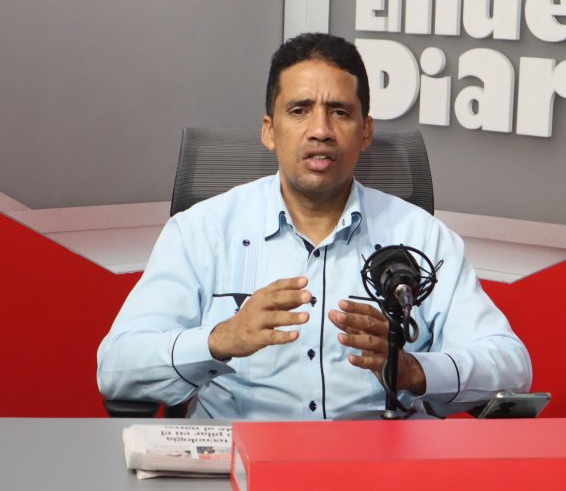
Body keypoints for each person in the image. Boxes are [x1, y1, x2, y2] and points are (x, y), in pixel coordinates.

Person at [97, 33, 530, 419]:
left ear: (365, 132)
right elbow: (116, 367)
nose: (320, 130)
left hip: (382, 464)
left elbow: (511, 364)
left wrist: (415, 370)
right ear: (270, 131)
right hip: (239, 462)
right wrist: (220, 339)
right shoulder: (200, 231)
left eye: (339, 112)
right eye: (299, 110)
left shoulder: (422, 237)